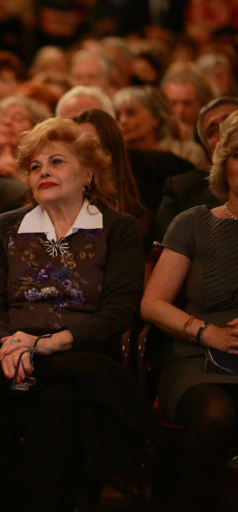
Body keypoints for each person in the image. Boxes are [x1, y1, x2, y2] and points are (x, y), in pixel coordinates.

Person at [0, 118, 153, 511]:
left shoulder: (117, 228)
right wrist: (8, 344)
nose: (44, 172)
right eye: (35, 167)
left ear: (89, 172)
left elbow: (119, 311)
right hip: (9, 352)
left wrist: (51, 344)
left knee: (59, 403)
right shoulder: (6, 226)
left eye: (56, 161)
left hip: (80, 353)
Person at [140, 109, 238, 511]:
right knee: (216, 415)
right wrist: (206, 333)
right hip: (199, 359)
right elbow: (152, 303)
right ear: (225, 162)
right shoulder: (193, 222)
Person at [155, 96, 238, 240]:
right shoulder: (181, 191)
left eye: (229, 121)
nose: (222, 131)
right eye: (212, 131)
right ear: (210, 154)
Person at [72, 108, 152, 241]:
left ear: (110, 153)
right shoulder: (54, 211)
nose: (82, 156)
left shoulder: (138, 220)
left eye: (90, 147)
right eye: (75, 147)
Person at [113, 85, 209, 169]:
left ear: (155, 118)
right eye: (118, 115)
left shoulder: (179, 162)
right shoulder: (112, 161)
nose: (122, 121)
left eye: (131, 113)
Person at [0, 94, 50, 180]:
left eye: (17, 118)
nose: (7, 122)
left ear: (35, 128)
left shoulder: (42, 164)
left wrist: (15, 179)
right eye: (2, 118)